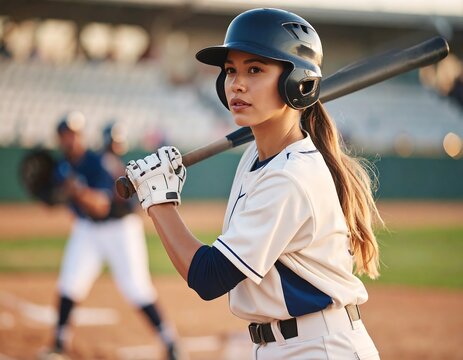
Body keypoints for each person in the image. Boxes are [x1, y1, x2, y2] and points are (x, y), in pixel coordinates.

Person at [125, 8, 381, 359]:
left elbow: (209, 276)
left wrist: (158, 201)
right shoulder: (257, 157)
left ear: (298, 83)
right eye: (231, 71)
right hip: (284, 345)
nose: (237, 83)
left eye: (255, 69)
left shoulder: (291, 177)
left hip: (319, 348)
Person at [43, 112, 180, 360]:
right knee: (70, 283)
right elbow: (60, 202)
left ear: (81, 136)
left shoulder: (97, 162)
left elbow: (101, 205)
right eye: (65, 135)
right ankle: (59, 342)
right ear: (60, 138)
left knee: (136, 287)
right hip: (88, 230)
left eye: (74, 134)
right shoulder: (62, 167)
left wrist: (76, 190)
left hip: (120, 229)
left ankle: (169, 342)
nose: (70, 140)